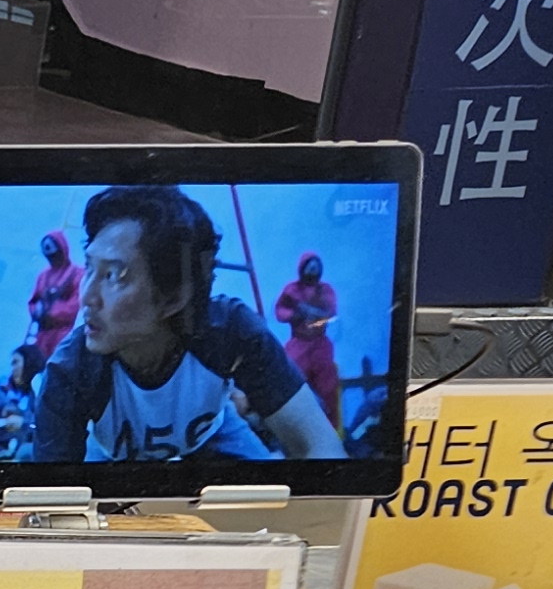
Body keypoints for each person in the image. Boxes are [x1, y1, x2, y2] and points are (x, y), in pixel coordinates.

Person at [29, 184, 347, 464]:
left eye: (113, 275)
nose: (87, 296)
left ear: (173, 297)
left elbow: (322, 448)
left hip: (214, 435)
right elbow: (50, 499)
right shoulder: (70, 367)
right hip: (109, 455)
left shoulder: (229, 330)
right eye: (89, 268)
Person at [274, 252, 342, 423]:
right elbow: (280, 311)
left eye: (316, 266)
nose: (312, 269)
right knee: (293, 379)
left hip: (320, 344)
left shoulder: (325, 290)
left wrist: (316, 313)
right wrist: (296, 314)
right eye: (309, 266)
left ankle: (329, 425)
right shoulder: (291, 290)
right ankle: (295, 424)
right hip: (299, 342)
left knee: (327, 385)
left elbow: (331, 312)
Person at [26, 231, 82, 363]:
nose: (52, 258)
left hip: (64, 333)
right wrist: (36, 312)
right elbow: (33, 301)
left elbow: (76, 303)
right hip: (42, 335)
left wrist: (51, 313)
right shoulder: (43, 276)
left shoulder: (77, 274)